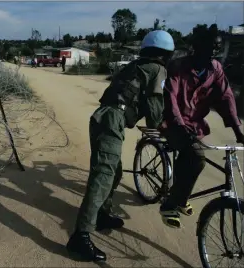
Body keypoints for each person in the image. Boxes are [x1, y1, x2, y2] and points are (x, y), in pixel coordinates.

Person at [66, 30, 175, 262]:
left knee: (114, 172)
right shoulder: (158, 69)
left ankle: (103, 214)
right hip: (113, 118)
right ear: (165, 54)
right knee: (104, 175)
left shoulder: (136, 65)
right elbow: (155, 102)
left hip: (103, 116)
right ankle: (80, 236)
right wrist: (158, 126)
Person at [159, 25, 244, 229]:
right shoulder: (179, 66)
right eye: (210, 47)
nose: (214, 52)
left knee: (188, 156)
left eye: (217, 48)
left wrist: (237, 130)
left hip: (194, 125)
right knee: (197, 157)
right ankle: (171, 204)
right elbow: (171, 98)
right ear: (197, 47)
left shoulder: (215, 69)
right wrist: (179, 124)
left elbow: (226, 98)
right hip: (172, 122)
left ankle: (180, 194)